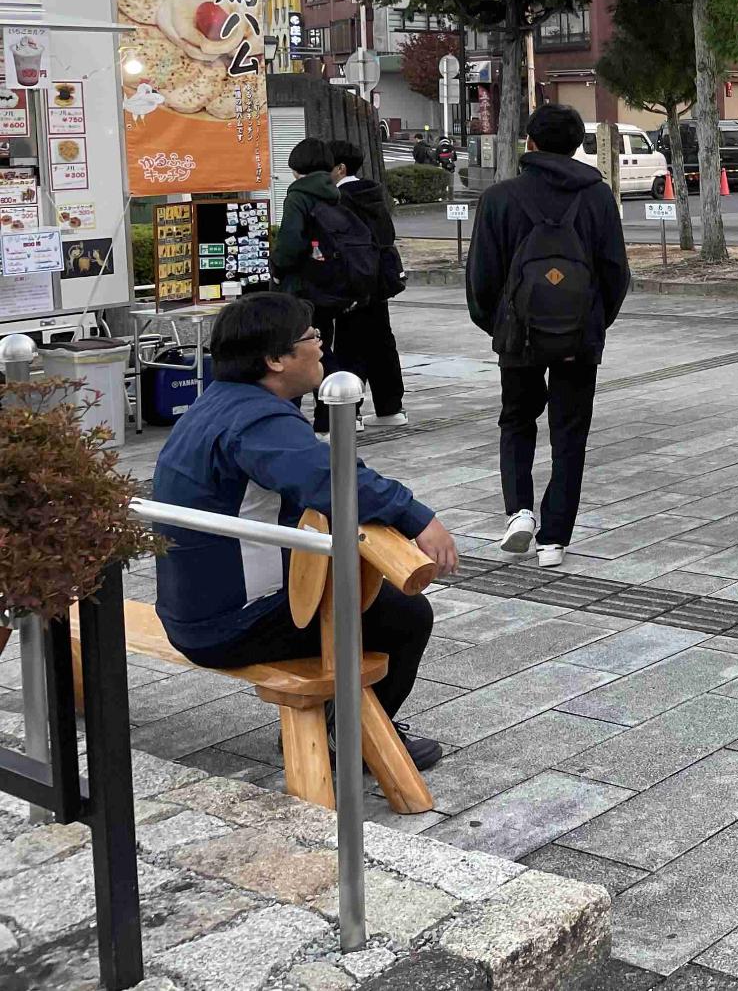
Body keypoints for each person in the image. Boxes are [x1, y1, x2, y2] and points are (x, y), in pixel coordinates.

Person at [149, 292, 459, 768]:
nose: (320, 346)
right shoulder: (257, 420)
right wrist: (417, 517)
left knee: (364, 598)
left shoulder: (220, 401)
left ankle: (341, 726)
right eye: (311, 337)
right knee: (406, 616)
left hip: (190, 609)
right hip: (227, 624)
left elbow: (312, 481)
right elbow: (334, 479)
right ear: (275, 359)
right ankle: (351, 739)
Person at [467, 103, 632, 569]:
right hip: (579, 335)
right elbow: (615, 272)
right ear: (578, 145)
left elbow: (481, 277)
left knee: (517, 420)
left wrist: (499, 326)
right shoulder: (598, 196)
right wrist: (594, 322)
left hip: (518, 335)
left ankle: (519, 512)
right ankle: (554, 539)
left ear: (530, 143)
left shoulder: (500, 198)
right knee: (570, 432)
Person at [272, 137, 354, 438]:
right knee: (321, 347)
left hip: (301, 289)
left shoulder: (298, 195)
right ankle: (328, 421)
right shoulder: (334, 193)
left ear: (297, 168)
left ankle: (285, 424)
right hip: (328, 287)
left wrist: (277, 270)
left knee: (293, 353)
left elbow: (289, 244)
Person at [327, 138, 409, 428]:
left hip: (354, 283)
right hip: (380, 284)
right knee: (382, 343)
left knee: (349, 346)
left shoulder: (340, 200)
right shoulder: (373, 195)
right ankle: (391, 408)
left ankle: (350, 413)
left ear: (340, 167)